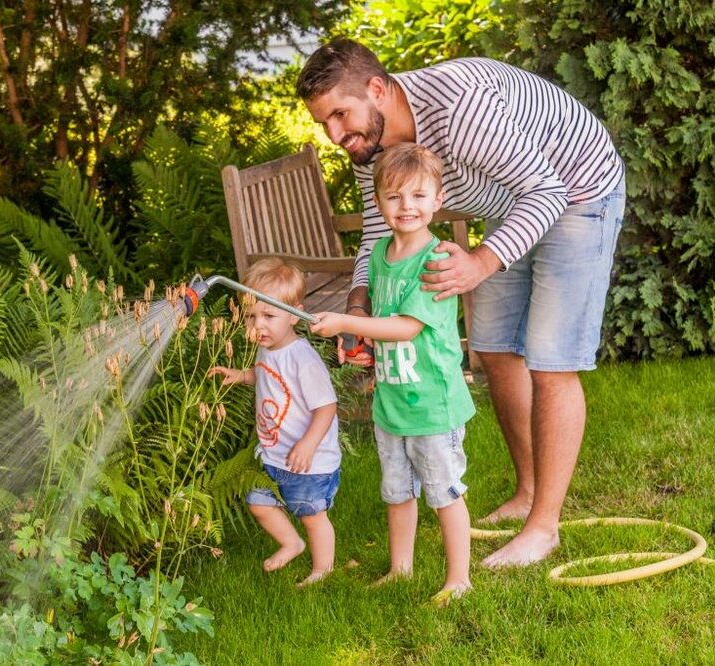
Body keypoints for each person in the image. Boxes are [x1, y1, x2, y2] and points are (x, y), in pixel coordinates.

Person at [296, 38, 626, 567]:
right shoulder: (369, 146)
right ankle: (525, 494)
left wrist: (480, 262)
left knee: (551, 360)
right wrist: (359, 309)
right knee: (494, 348)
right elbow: (377, 234)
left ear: (377, 89)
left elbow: (545, 192)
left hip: (577, 189)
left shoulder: (461, 109)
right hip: (514, 203)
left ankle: (544, 527)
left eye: (341, 114)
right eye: (324, 123)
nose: (336, 135)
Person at [310, 143, 475, 605]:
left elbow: (406, 327)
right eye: (395, 197)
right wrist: (364, 344)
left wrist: (346, 322)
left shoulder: (437, 260)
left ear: (438, 200)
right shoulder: (381, 254)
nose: (407, 207)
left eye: (419, 196)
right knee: (397, 491)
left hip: (433, 403)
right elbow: (384, 321)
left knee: (444, 493)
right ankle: (400, 569)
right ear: (378, 202)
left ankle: (458, 578)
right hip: (392, 401)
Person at [208, 258, 340, 587]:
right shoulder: (268, 350)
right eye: (251, 316)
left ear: (295, 314)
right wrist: (241, 376)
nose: (258, 325)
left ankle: (323, 569)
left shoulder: (302, 358)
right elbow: (266, 376)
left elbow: (327, 407)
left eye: (269, 316)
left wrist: (308, 445)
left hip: (310, 461)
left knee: (311, 515)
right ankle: (291, 543)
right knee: (258, 502)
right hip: (275, 455)